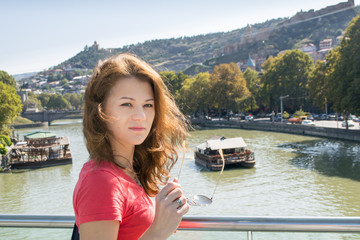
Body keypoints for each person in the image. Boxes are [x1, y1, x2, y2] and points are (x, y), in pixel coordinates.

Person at [73, 53, 190, 240]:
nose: (141, 116)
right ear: (99, 111)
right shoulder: (101, 181)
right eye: (127, 104)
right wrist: (159, 230)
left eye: (148, 105)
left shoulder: (128, 171)